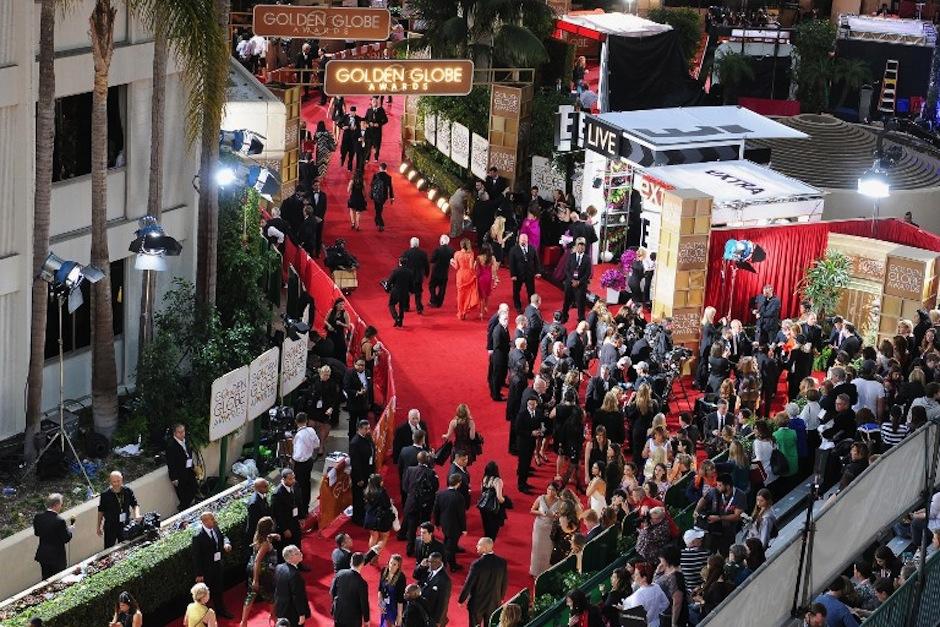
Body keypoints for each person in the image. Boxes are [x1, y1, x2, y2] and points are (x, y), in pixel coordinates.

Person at [191, 511, 233, 619]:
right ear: (204, 521)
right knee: (204, 595)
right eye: (211, 519)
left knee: (218, 589)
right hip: (206, 570)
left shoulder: (215, 528)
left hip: (217, 566)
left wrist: (226, 543)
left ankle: (221, 610)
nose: (214, 520)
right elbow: (196, 557)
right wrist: (199, 574)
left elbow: (223, 536)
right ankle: (204, 617)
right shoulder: (198, 536)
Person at [459, 537, 509, 627]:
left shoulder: (477, 564)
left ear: (485, 548)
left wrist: (461, 600)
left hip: (477, 604)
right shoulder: (502, 562)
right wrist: (501, 598)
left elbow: (469, 583)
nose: (476, 546)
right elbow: (504, 582)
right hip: (494, 602)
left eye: (479, 545)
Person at [240, 516, 278, 627]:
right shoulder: (265, 544)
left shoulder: (257, 537)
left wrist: (273, 536)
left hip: (252, 569)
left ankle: (244, 621)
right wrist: (256, 580)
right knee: (271, 595)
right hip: (263, 573)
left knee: (250, 596)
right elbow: (257, 560)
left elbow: (266, 538)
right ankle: (274, 616)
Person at [694, 474, 745, 556]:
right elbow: (703, 499)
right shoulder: (714, 491)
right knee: (710, 553)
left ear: (728, 486)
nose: (717, 487)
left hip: (728, 530)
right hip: (714, 529)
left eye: (720, 485)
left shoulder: (740, 495)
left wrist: (719, 518)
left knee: (727, 553)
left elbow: (737, 516)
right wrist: (696, 510)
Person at [33, 493, 72, 580]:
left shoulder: (38, 517)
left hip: (43, 555)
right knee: (59, 580)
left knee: (46, 580)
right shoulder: (60, 521)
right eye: (61, 504)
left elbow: (37, 533)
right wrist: (70, 531)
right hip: (57, 556)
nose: (61, 507)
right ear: (56, 504)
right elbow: (66, 538)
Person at [434, 473, 468, 572]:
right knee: (451, 546)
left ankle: (447, 552)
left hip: (444, 523)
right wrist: (464, 529)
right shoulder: (459, 497)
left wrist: (436, 523)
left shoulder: (440, 494)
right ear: (458, 484)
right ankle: (452, 565)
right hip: (455, 526)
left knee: (448, 539)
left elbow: (436, 510)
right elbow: (461, 515)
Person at [97, 470, 140, 549]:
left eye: (118, 481)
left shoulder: (128, 491)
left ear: (122, 479)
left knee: (126, 547)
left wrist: (137, 515)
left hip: (125, 523)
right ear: (110, 482)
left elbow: (135, 504)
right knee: (109, 549)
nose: (116, 484)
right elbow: (101, 511)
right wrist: (98, 526)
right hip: (110, 526)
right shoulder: (105, 495)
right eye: (114, 482)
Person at [291, 413, 320, 520]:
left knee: (298, 487)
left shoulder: (299, 435)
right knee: (306, 485)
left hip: (301, 464)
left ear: (296, 422)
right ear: (306, 421)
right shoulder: (311, 431)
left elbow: (298, 455)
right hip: (309, 461)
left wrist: (293, 459)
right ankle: (305, 508)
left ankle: (300, 512)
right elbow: (317, 444)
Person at [331, 551, 370, 627]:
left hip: (339, 614)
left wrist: (335, 606)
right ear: (362, 564)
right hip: (353, 619)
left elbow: (332, 591)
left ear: (351, 562)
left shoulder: (340, 573)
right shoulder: (362, 583)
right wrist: (366, 620)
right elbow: (364, 603)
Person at [530, 482, 561, 577]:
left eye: (553, 490)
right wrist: (540, 512)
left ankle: (546, 570)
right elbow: (532, 510)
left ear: (556, 491)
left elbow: (562, 514)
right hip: (539, 526)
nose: (550, 492)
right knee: (537, 548)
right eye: (549, 489)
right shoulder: (540, 498)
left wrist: (557, 516)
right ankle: (535, 571)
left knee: (548, 549)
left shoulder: (560, 501)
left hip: (551, 528)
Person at [275, 545, 311, 627]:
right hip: (293, 613)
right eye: (297, 553)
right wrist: (301, 614)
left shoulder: (279, 567)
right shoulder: (294, 574)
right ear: (291, 557)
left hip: (281, 610)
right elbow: (297, 596)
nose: (301, 554)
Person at [507, 233, 541, 314]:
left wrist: (538, 272)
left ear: (527, 240)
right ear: (519, 240)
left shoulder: (532, 248)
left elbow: (536, 261)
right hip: (518, 274)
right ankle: (518, 306)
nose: (523, 241)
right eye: (522, 239)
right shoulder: (513, 250)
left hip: (529, 273)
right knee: (516, 291)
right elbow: (511, 263)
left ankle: (532, 306)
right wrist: (513, 275)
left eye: (525, 239)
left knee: (531, 291)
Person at [166, 423, 198, 511]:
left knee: (194, 487)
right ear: (174, 433)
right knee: (183, 494)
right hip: (179, 473)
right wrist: (174, 478)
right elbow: (170, 463)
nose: (182, 434)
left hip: (188, 469)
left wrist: (193, 466)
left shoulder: (186, 440)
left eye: (183, 431)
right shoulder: (171, 445)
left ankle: (185, 507)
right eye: (179, 432)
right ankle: (183, 509)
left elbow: (188, 454)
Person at [271, 469, 302, 557]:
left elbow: (299, 501)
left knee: (297, 542)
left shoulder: (295, 485)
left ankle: (298, 562)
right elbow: (278, 514)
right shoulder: (277, 494)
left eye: (293, 478)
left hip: (295, 520)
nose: (293, 480)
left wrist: (301, 517)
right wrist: (284, 529)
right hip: (286, 525)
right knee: (287, 546)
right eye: (290, 479)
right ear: (284, 479)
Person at [561, 237, 592, 322]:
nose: (581, 248)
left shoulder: (587, 258)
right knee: (566, 300)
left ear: (584, 248)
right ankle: (564, 316)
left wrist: (579, 282)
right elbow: (566, 270)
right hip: (570, 283)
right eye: (579, 246)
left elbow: (588, 273)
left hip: (581, 284)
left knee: (581, 303)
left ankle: (581, 318)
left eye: (583, 246)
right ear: (577, 246)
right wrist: (572, 280)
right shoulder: (571, 256)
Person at [418, 552, 452, 627]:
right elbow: (417, 576)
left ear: (439, 562)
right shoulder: (431, 571)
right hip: (427, 612)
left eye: (432, 562)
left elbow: (443, 602)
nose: (429, 564)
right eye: (429, 561)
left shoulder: (445, 580)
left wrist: (438, 621)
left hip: (434, 617)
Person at [364, 473, 395, 554]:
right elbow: (387, 505)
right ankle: (375, 557)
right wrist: (390, 501)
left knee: (373, 537)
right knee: (384, 537)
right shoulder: (381, 492)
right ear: (379, 482)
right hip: (381, 519)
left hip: (370, 517)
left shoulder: (367, 491)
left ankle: (370, 557)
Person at [344, 359, 373, 439]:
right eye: (359, 365)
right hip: (353, 403)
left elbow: (370, 388)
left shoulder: (368, 372)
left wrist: (370, 401)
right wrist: (357, 392)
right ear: (355, 364)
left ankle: (363, 438)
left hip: (364, 403)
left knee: (363, 422)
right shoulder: (349, 373)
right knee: (352, 423)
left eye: (362, 365)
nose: (361, 367)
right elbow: (346, 387)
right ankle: (352, 440)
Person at [478, 461, 508, 539]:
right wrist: (506, 502)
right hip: (493, 508)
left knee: (486, 526)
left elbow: (482, 492)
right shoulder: (497, 481)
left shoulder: (484, 478)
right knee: (493, 529)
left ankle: (485, 542)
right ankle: (489, 545)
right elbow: (499, 497)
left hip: (483, 507)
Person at [452, 238, 480, 320]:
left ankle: (460, 312)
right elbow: (471, 267)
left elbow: (456, 267)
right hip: (469, 275)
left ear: (461, 245)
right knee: (468, 294)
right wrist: (475, 263)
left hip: (460, 275)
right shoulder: (471, 254)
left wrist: (451, 263)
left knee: (460, 295)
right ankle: (465, 311)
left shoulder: (457, 254)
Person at [379, 554, 407, 627]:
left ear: (398, 566)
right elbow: (380, 589)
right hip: (385, 603)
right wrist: (380, 603)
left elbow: (400, 599)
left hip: (395, 606)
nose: (391, 566)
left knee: (393, 624)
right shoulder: (384, 571)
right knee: (385, 623)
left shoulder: (401, 578)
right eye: (390, 563)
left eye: (394, 564)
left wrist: (399, 615)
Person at [386, 255, 414, 328]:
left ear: (400, 263)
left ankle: (396, 318)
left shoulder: (396, 271)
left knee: (391, 305)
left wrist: (387, 289)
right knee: (401, 307)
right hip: (404, 292)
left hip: (395, 291)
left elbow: (390, 281)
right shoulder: (410, 272)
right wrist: (411, 291)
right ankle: (400, 321)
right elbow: (411, 284)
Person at [429, 235, 454, 308]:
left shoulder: (437, 250)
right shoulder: (451, 250)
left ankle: (433, 300)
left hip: (436, 271)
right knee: (442, 288)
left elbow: (432, 260)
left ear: (442, 241)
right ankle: (439, 302)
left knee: (432, 286)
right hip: (444, 271)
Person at [245, 478, 272, 545]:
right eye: (265, 486)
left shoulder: (262, 495)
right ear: (258, 488)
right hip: (258, 535)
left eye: (267, 485)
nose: (268, 487)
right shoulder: (254, 503)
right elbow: (255, 523)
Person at [325, 298, 351, 363]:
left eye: (343, 304)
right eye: (340, 304)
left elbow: (348, 326)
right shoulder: (331, 311)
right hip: (330, 334)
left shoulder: (345, 314)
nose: (342, 306)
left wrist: (341, 323)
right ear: (336, 304)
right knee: (330, 348)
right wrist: (329, 325)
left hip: (339, 335)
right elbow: (325, 320)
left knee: (340, 350)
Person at [364, 96, 389, 161]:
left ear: (377, 102)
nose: (374, 102)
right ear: (371, 103)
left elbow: (386, 120)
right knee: (368, 145)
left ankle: (376, 157)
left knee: (377, 145)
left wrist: (379, 124)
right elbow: (366, 119)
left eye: (375, 101)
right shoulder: (369, 110)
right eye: (373, 101)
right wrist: (369, 123)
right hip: (369, 131)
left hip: (377, 131)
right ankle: (367, 158)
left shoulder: (381, 110)